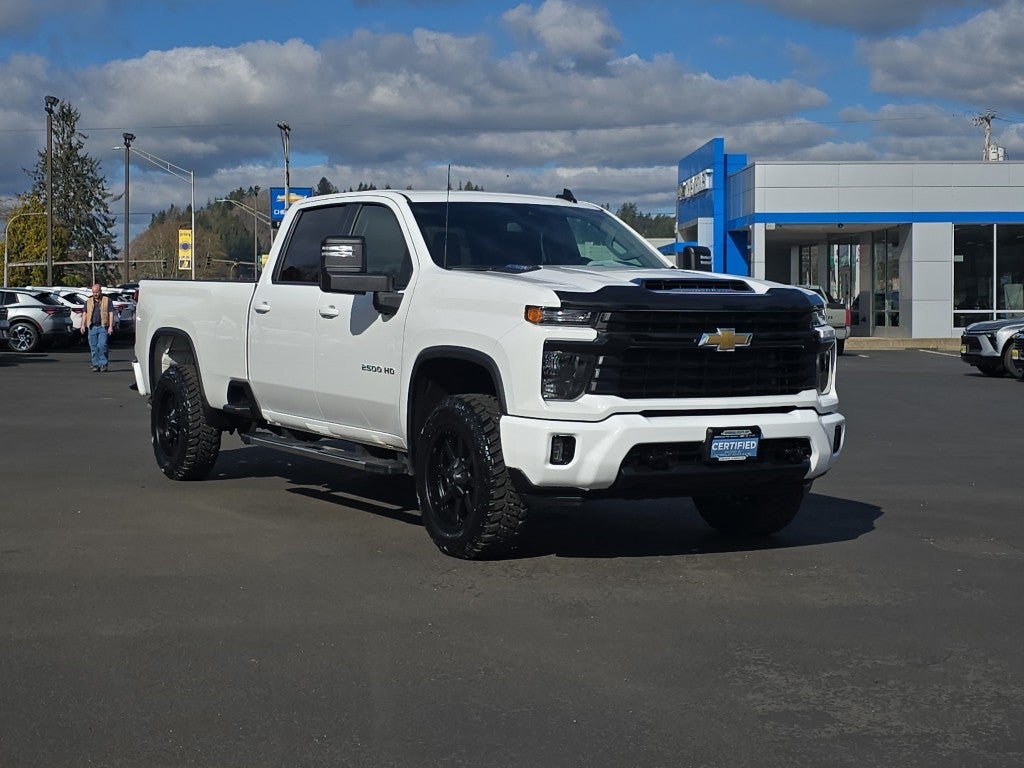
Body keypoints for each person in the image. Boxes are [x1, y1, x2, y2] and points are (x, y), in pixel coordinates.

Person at [81, 283, 115, 372]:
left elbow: (111, 313)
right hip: (92, 327)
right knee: (94, 347)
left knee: (102, 345)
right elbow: (85, 313)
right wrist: (83, 325)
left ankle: (103, 364)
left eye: (97, 292)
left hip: (103, 327)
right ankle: (95, 364)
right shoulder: (88, 301)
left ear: (100, 291)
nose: (95, 294)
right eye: (93, 292)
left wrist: (110, 326)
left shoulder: (107, 300)